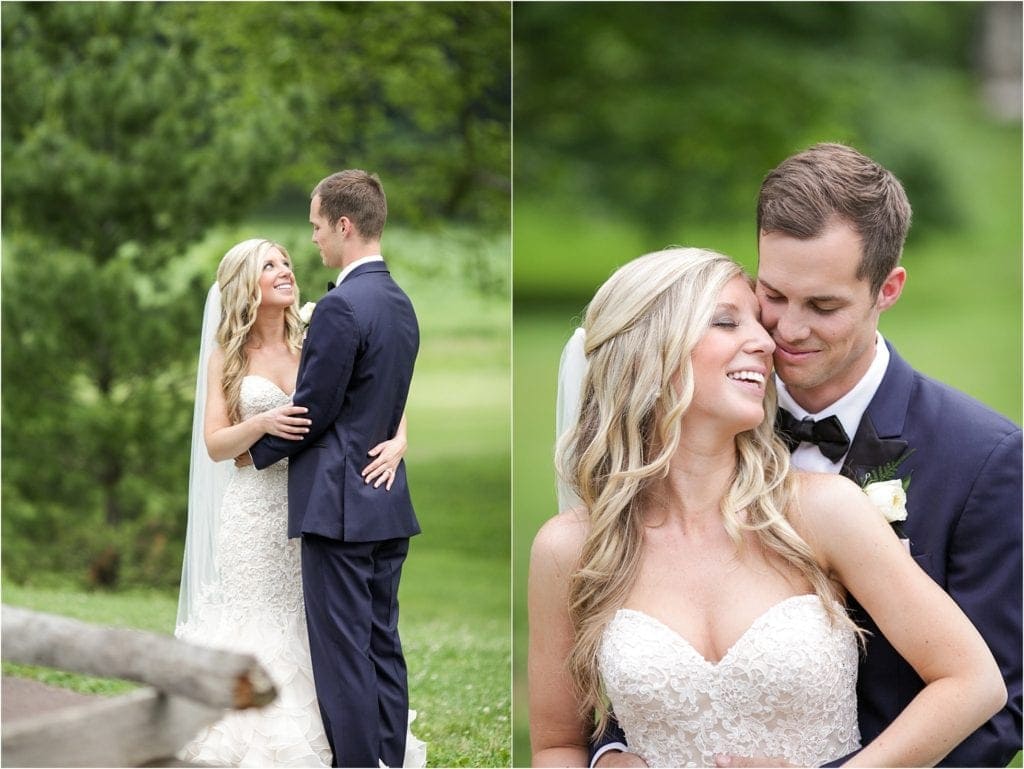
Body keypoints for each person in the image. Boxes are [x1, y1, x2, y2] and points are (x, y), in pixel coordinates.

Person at [586, 144, 1023, 768]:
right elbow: (620, 656)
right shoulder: (701, 420)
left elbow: (996, 707)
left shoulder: (984, 459)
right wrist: (618, 752)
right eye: (773, 295)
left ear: (886, 289)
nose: (786, 331)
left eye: (822, 306)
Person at [176, 237, 425, 766]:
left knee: (322, 626)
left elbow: (378, 391)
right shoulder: (227, 357)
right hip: (256, 508)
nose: (286, 270)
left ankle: (349, 743)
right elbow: (217, 445)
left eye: (286, 261)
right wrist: (261, 422)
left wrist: (401, 437)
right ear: (247, 284)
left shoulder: (316, 334)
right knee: (265, 618)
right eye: (270, 265)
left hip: (321, 499)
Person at [248, 170, 421, 769]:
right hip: (386, 500)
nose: (315, 240)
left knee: (342, 653)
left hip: (339, 508)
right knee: (382, 646)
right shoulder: (400, 301)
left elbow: (315, 410)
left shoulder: (343, 306)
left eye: (318, 227)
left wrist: (254, 454)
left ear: (344, 225)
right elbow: (385, 399)